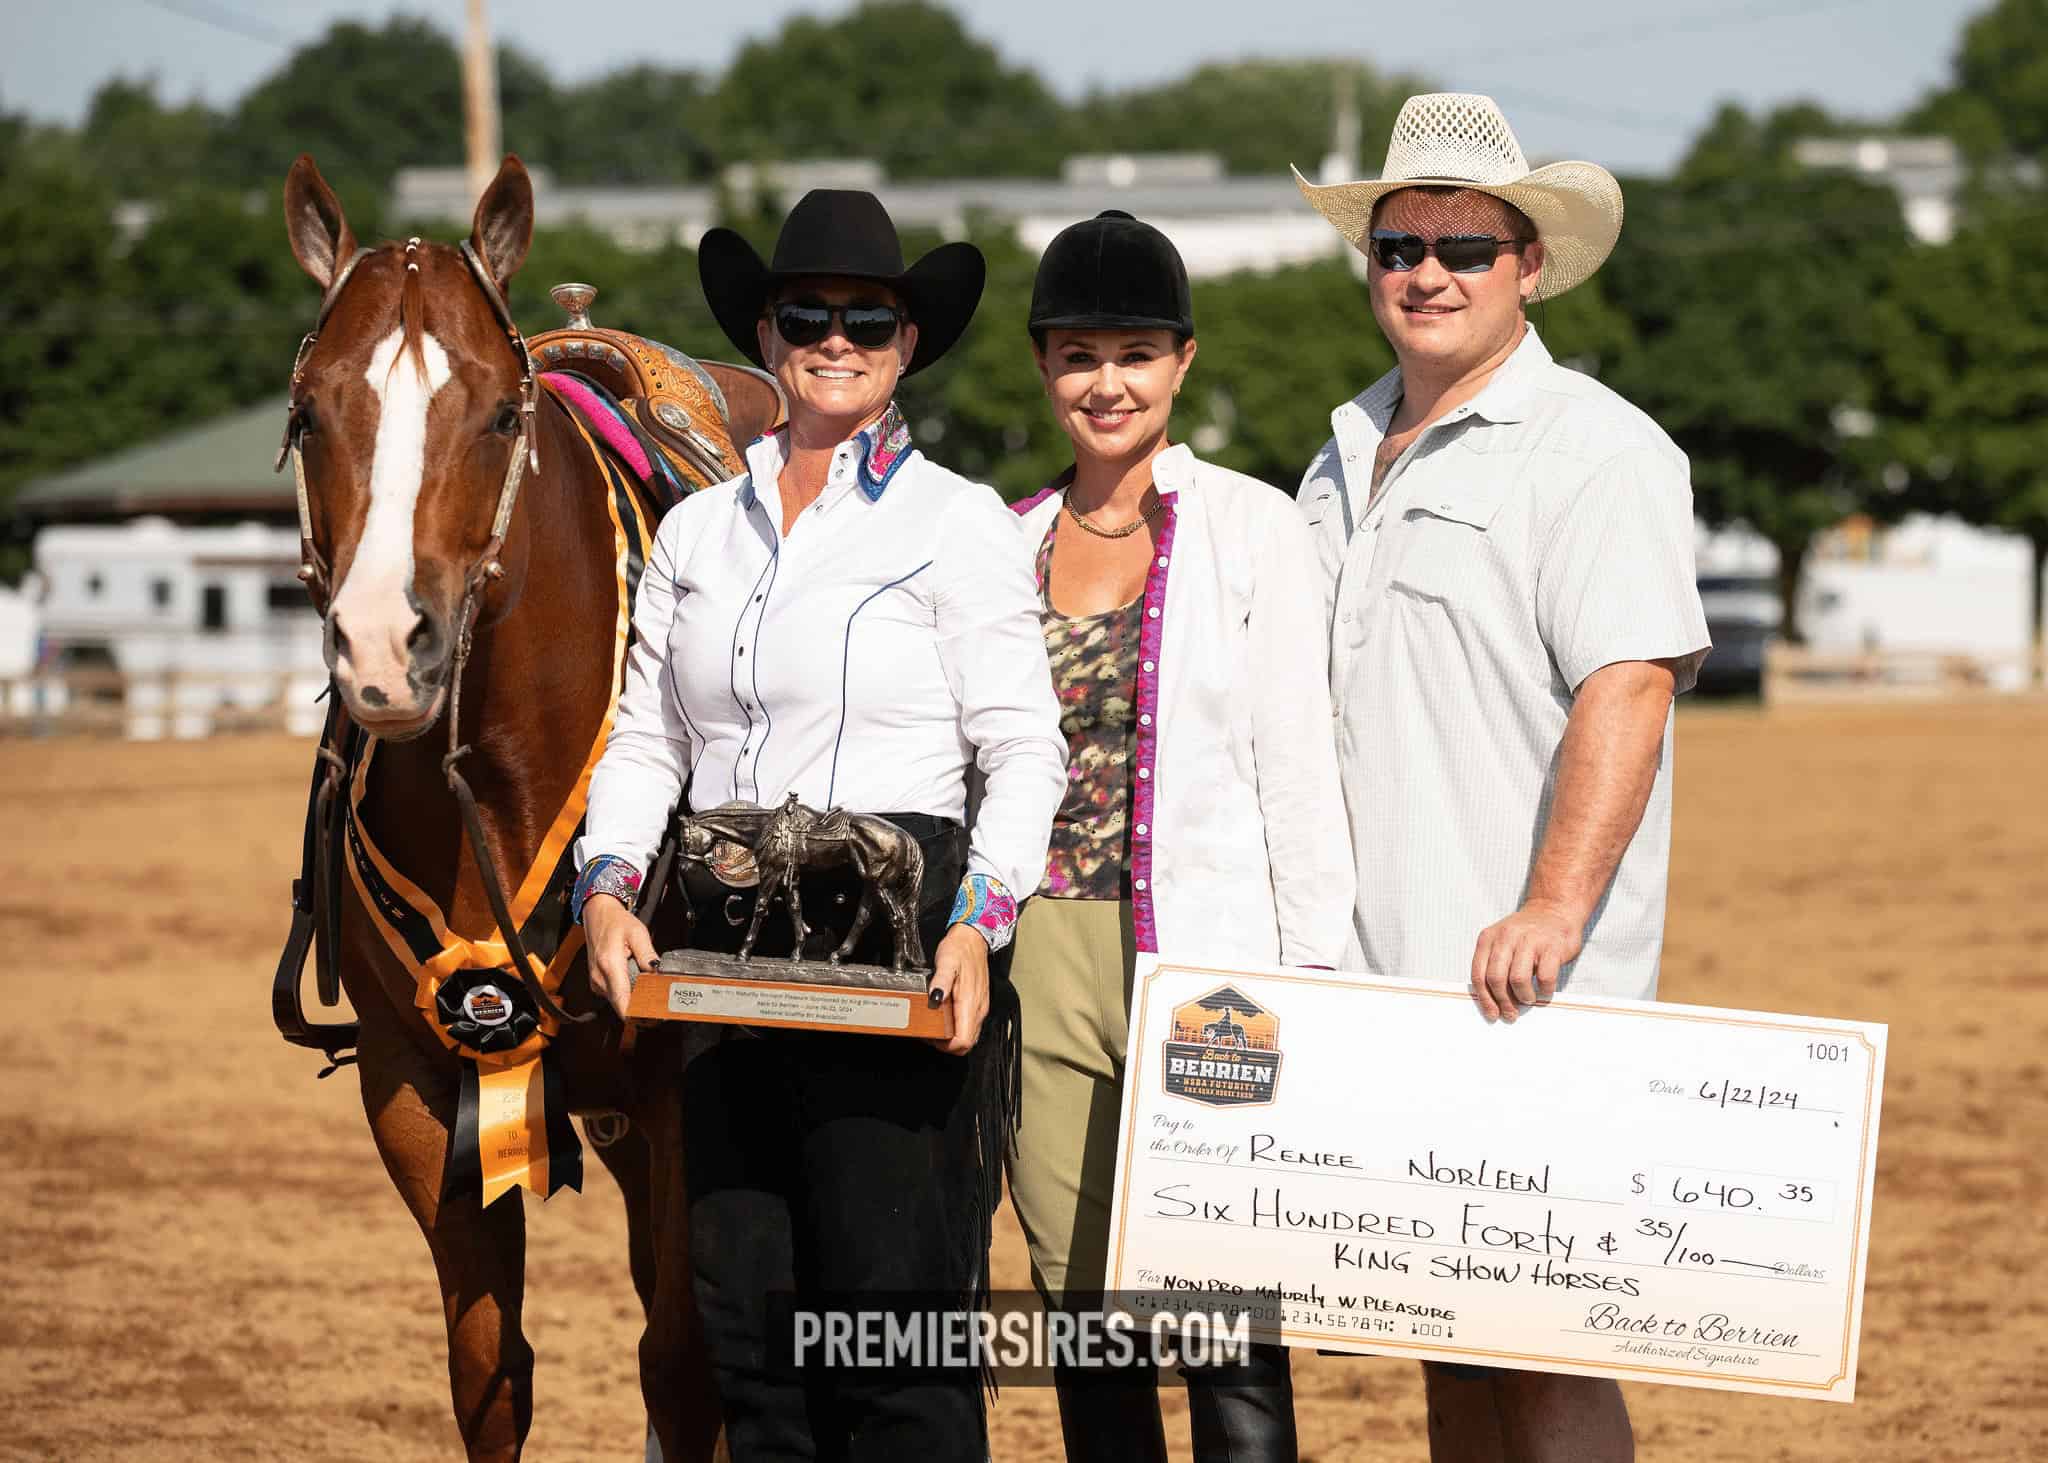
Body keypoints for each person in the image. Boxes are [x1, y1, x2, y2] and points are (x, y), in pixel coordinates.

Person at [571, 189, 1067, 1462]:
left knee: (889, 1332)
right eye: (807, 316)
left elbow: (1022, 746)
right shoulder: (694, 530)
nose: (835, 339)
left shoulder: (956, 519)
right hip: (720, 937)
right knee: (747, 1321)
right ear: (765, 333)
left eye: (868, 320)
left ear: (907, 345)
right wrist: (608, 885)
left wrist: (979, 921)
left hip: (894, 928)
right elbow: (648, 737)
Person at [1292, 94, 1712, 1462]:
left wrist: (1554, 904)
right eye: (1398, 245)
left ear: (1529, 265)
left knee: (1540, 1338)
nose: (1427, 272)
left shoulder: (1598, 448)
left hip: (1528, 983)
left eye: (1465, 248)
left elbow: (1628, 683)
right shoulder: (1334, 454)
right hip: (1375, 975)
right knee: (1444, 1327)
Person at [1005, 210, 1354, 1463]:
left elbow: (1295, 764)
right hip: (1038, 955)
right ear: (1042, 366)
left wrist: (1310, 975)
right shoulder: (1000, 542)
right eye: (1078, 355)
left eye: (1134, 354)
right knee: (1078, 1293)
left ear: (1182, 362)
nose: (1106, 383)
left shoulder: (1252, 526)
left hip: (1212, 959)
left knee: (1222, 1294)